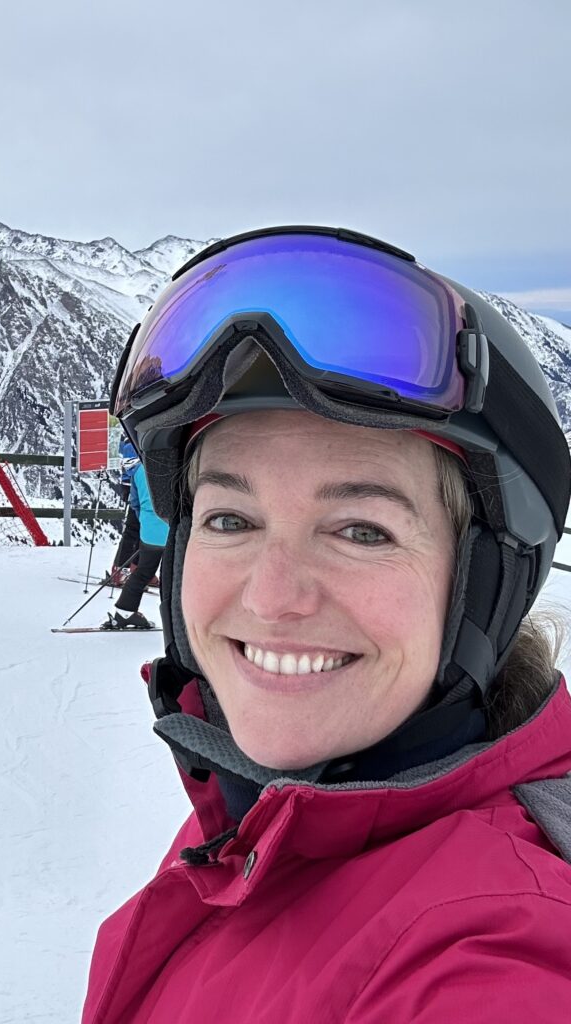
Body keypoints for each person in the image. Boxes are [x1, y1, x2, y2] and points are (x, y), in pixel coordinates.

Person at [83, 226, 571, 1022]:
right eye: (231, 520)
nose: (274, 597)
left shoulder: (499, 949)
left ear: (481, 580)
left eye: (361, 530)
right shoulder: (268, 819)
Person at [100, 459, 167, 630]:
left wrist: (146, 521)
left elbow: (134, 504)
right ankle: (176, 616)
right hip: (172, 529)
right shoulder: (174, 465)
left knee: (143, 571)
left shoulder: (137, 470)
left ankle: (124, 612)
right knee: (172, 574)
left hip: (148, 531)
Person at [105, 436, 141, 586]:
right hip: (140, 486)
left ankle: (133, 569)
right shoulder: (134, 435)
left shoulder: (131, 435)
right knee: (136, 529)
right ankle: (123, 569)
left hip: (138, 484)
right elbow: (129, 461)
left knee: (143, 530)